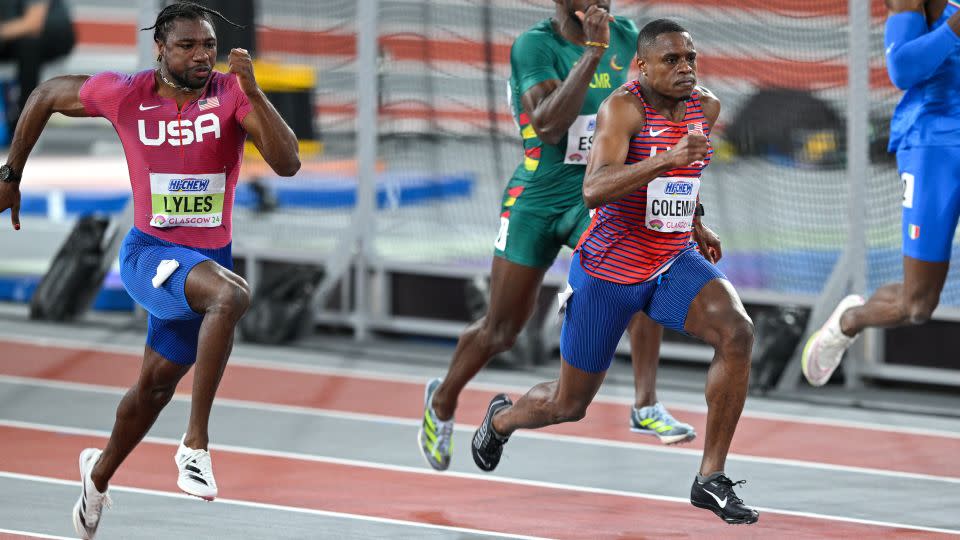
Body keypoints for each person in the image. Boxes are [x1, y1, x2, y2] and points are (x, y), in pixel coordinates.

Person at [0, 2, 300, 538]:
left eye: (208, 45)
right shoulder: (125, 92)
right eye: (187, 46)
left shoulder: (230, 95)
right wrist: (10, 173)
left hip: (207, 263)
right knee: (231, 298)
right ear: (160, 49)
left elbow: (287, 163)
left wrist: (254, 92)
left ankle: (97, 476)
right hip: (149, 255)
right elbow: (45, 94)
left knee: (153, 390)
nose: (202, 55)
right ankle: (196, 446)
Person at [470, 19, 759, 525]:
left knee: (737, 333)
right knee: (569, 404)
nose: (685, 68)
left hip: (670, 260)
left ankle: (709, 478)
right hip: (608, 270)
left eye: (690, 58)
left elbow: (685, 178)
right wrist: (668, 157)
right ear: (641, 66)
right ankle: (502, 418)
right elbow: (594, 189)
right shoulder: (622, 109)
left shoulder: (705, 107)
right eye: (671, 60)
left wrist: (694, 222)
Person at [417, 0, 704, 473]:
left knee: (642, 265)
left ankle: (646, 403)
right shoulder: (535, 46)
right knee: (502, 329)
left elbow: (676, 106)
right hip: (537, 194)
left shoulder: (633, 39)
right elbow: (549, 126)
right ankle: (443, 398)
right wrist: (592, 52)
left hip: (599, 193)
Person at [801, 0, 960, 387]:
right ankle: (849, 321)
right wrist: (956, 25)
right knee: (918, 304)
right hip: (934, 148)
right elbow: (902, 69)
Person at [0, 0, 75, 134]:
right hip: (13, 34)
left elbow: (33, 23)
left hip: (50, 33)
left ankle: (26, 121)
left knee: (29, 45)